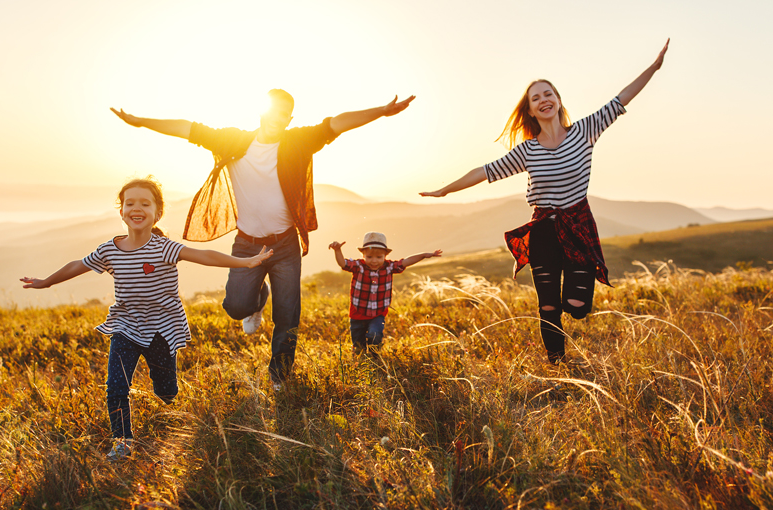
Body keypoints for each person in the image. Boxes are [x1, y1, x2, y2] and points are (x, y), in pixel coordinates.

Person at [111, 89, 413, 389]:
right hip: (247, 244)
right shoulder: (233, 140)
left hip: (285, 245)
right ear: (262, 113)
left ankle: (280, 376)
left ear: (289, 118)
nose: (277, 119)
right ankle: (257, 300)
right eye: (272, 112)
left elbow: (336, 123)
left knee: (288, 314)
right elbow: (186, 128)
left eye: (284, 114)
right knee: (236, 307)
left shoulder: (298, 141)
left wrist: (380, 111)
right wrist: (140, 121)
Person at [420, 40, 670, 363]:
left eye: (548, 94)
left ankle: (572, 308)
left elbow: (621, 98)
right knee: (548, 305)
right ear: (531, 110)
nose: (543, 100)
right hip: (543, 232)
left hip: (577, 225)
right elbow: (484, 171)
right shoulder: (527, 151)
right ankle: (558, 364)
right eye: (535, 98)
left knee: (577, 308)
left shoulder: (585, 130)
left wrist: (653, 67)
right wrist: (445, 191)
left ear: (558, 100)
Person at [20, 177, 272, 461]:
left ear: (157, 213)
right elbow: (78, 264)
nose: (136, 208)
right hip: (125, 327)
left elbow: (203, 256)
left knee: (166, 391)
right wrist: (46, 282)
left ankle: (167, 397)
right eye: (130, 203)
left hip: (162, 330)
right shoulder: (110, 250)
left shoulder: (164, 248)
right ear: (122, 211)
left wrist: (245, 262)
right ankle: (123, 442)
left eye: (144, 203)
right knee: (116, 386)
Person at [329, 232, 442, 355]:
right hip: (358, 313)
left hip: (378, 312)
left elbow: (407, 261)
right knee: (358, 347)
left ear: (385, 256)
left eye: (379, 257)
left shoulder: (389, 267)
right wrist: (338, 250)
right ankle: (361, 362)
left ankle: (375, 358)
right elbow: (343, 264)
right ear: (363, 255)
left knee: (375, 335)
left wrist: (424, 255)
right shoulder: (358, 266)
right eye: (369, 257)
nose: (374, 261)